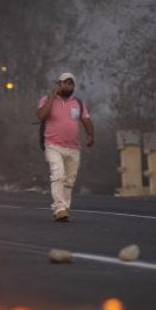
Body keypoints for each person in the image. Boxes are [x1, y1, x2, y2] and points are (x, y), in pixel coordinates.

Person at [35, 72, 94, 222]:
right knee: (58, 174)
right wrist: (51, 97)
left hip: (73, 148)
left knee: (69, 180)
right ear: (59, 85)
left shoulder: (78, 103)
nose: (68, 86)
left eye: (71, 84)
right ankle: (59, 207)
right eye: (65, 83)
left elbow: (86, 120)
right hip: (53, 145)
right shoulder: (47, 100)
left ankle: (64, 208)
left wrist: (90, 135)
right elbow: (41, 115)